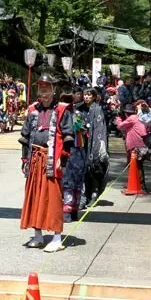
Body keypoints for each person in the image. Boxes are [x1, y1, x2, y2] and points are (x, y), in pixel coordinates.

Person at [19, 74, 74, 253]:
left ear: (53, 90)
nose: (43, 92)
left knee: (53, 198)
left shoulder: (62, 110)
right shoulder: (33, 110)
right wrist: (25, 159)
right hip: (35, 159)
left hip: (52, 160)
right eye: (40, 88)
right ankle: (38, 235)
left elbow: (68, 137)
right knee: (35, 196)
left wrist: (63, 158)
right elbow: (25, 137)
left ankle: (57, 238)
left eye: (46, 88)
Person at [61, 86, 90, 221]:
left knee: (70, 183)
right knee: (72, 183)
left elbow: (83, 131)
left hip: (72, 151)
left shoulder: (73, 114)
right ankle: (71, 212)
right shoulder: (75, 113)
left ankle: (69, 213)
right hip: (74, 151)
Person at [115, 101, 150, 193]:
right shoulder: (138, 117)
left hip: (136, 145)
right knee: (137, 165)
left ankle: (141, 186)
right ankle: (134, 183)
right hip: (141, 144)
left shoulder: (132, 118)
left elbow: (120, 126)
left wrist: (118, 119)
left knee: (137, 166)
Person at [82, 88, 109, 205]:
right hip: (83, 142)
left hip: (94, 142)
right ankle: (84, 196)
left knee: (93, 169)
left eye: (89, 95)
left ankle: (93, 193)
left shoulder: (98, 109)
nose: (86, 97)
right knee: (83, 170)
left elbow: (101, 127)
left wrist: (100, 144)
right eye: (85, 95)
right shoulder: (80, 108)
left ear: (93, 97)